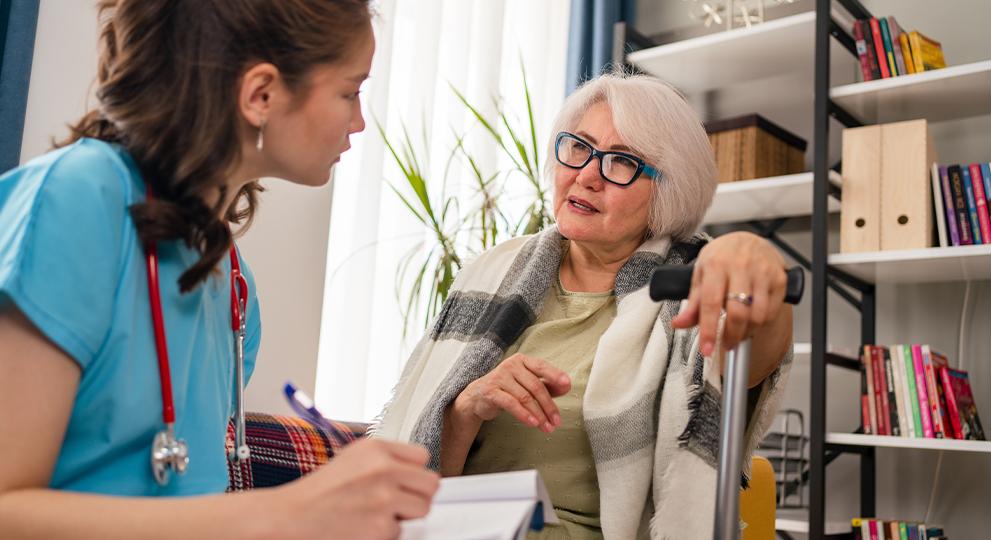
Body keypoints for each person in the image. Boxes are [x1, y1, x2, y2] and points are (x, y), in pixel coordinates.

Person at [0, 1, 438, 539]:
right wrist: (288, 512)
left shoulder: (232, 284)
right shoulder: (76, 200)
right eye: (350, 92)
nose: (360, 120)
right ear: (261, 95)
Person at [373, 72, 794, 539]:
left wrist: (757, 270)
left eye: (622, 162)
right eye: (579, 147)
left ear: (668, 191)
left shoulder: (692, 293)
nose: (587, 175)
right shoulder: (489, 274)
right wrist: (468, 407)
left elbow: (756, 349)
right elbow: (421, 484)